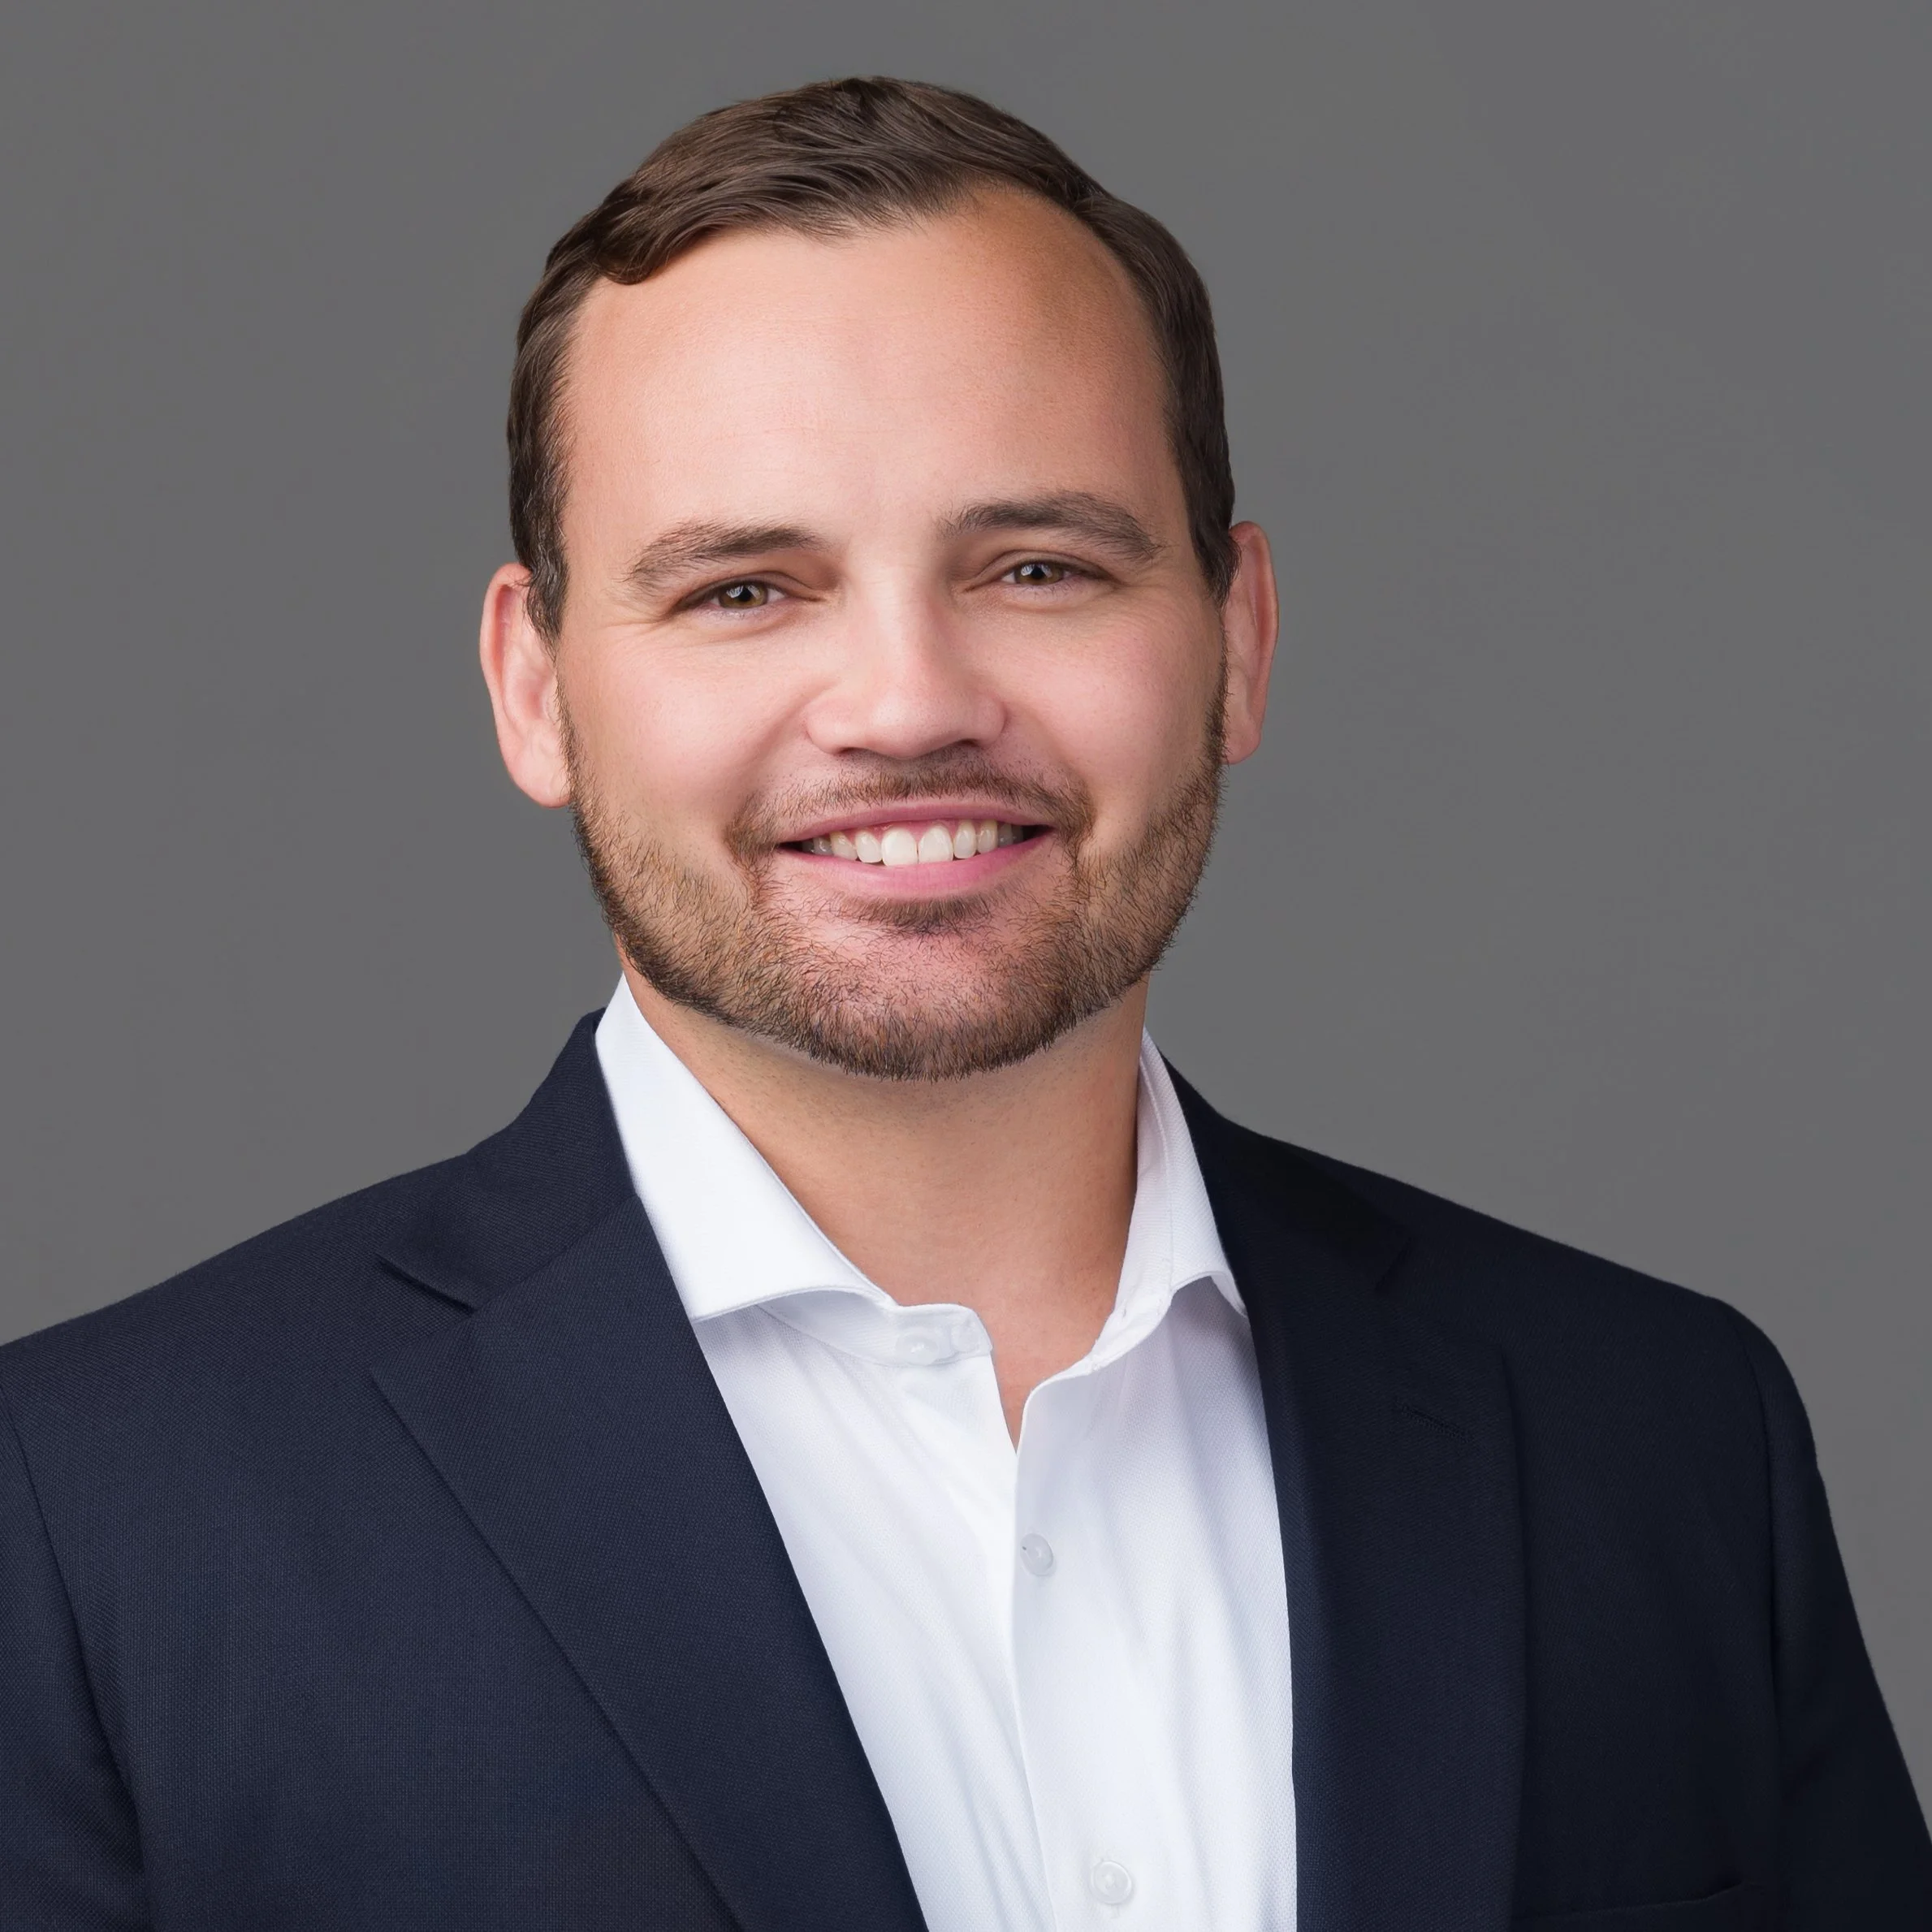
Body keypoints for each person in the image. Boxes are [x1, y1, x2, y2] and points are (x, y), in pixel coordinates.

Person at [2, 76, 1926, 1932]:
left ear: (1235, 641)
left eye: (1035, 564)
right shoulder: (96, 1523)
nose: (909, 702)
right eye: (747, 589)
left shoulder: (1659, 1439)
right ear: (535, 686)